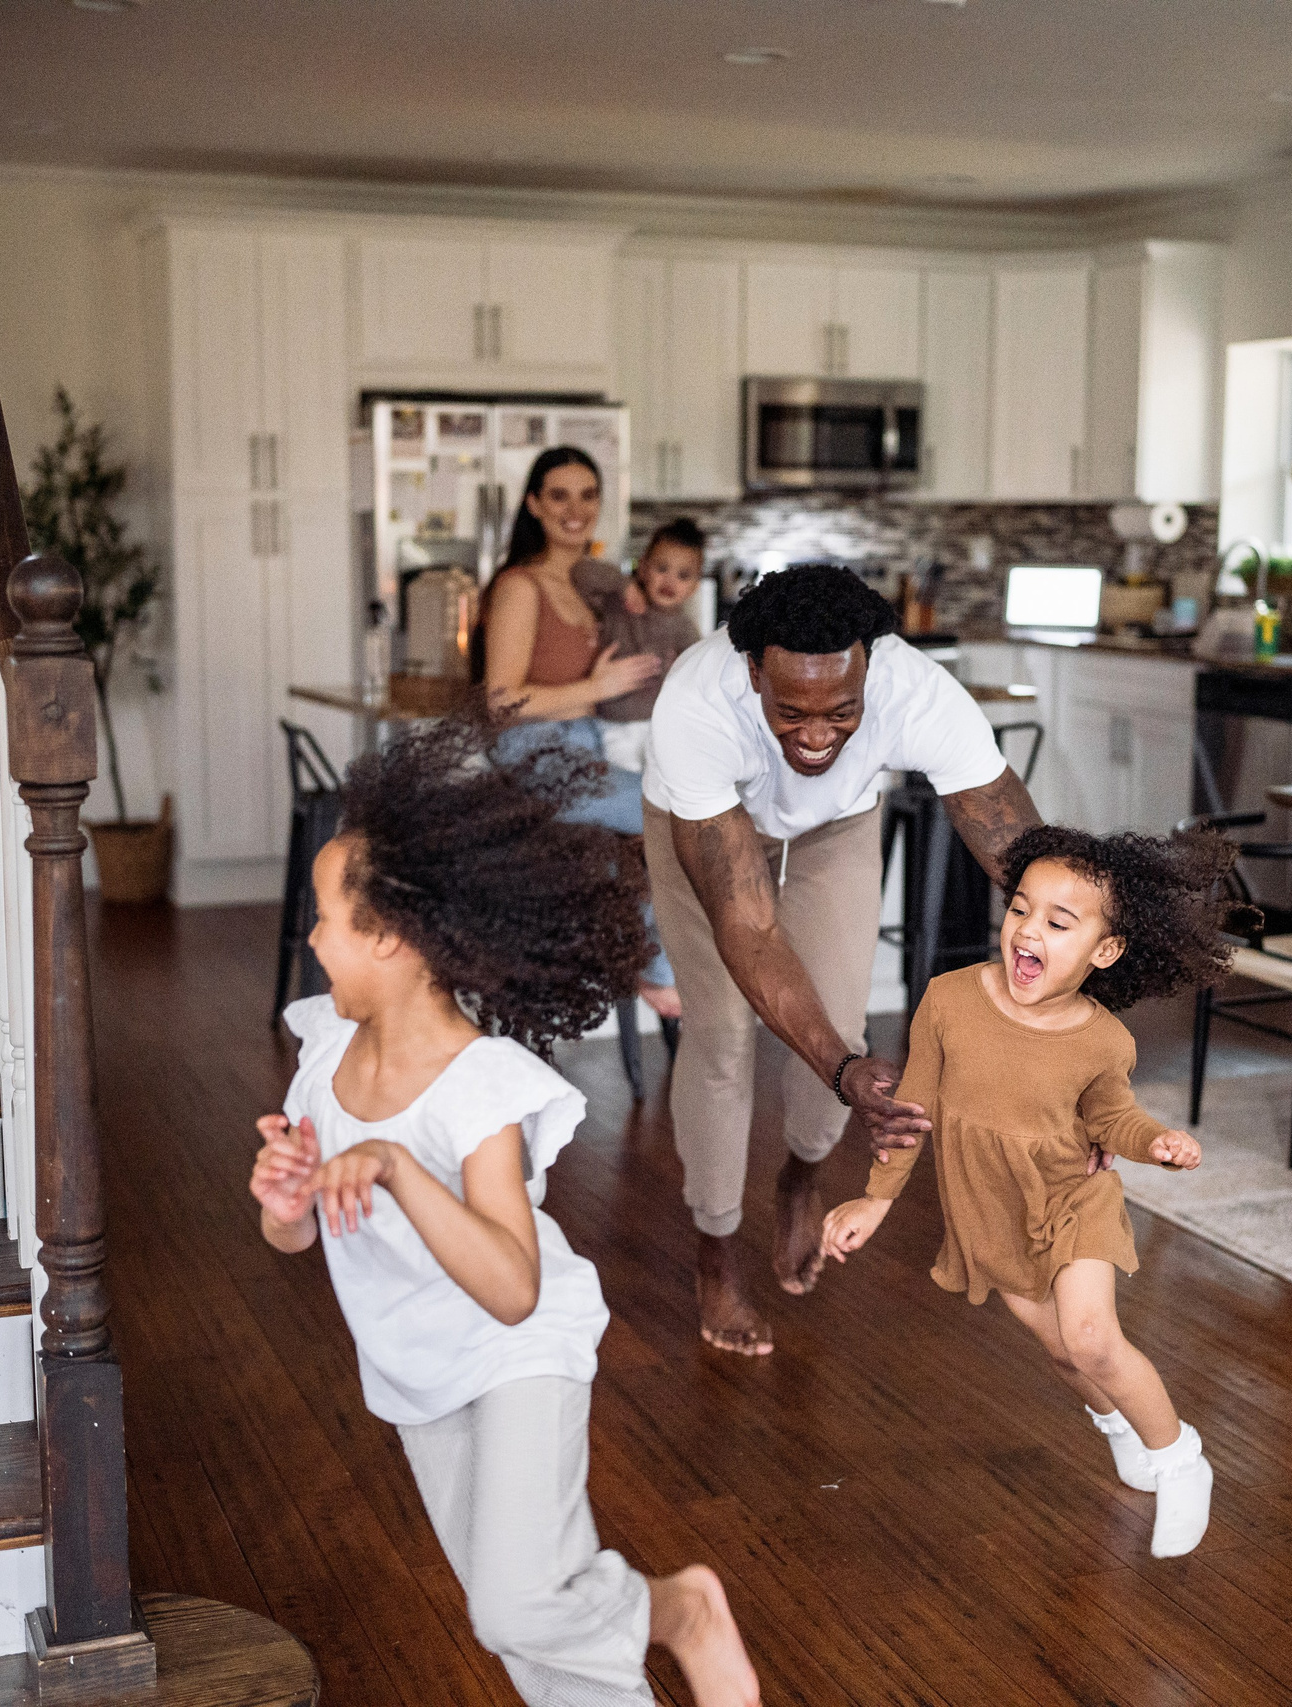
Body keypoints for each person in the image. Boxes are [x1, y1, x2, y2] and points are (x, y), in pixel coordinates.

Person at [247, 712, 758, 1707]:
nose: (310, 938)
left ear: (390, 938)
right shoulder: (322, 1055)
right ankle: (675, 1610)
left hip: (516, 1353)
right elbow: (294, 1230)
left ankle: (685, 1616)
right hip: (414, 1364)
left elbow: (513, 1289)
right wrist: (284, 1201)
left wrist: (399, 1168)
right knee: (527, 1616)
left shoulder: (481, 1090)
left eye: (325, 918)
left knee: (515, 1609)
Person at [642, 562, 1042, 1356]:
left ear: (870, 669)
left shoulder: (914, 687)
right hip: (704, 820)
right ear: (753, 670)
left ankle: (800, 1171)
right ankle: (716, 1248)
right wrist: (842, 1069)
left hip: (836, 829)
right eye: (792, 710)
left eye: (842, 710)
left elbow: (1022, 856)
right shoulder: (696, 703)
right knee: (721, 1035)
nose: (819, 734)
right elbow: (750, 930)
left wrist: (1072, 956)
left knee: (843, 1023)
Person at [820, 823, 1232, 1558]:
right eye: (1020, 908)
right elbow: (915, 1110)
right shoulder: (948, 1000)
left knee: (1091, 1335)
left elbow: (1114, 1118)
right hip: (990, 1212)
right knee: (1065, 1354)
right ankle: (1120, 1428)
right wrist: (874, 1199)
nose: (1027, 930)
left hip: (1074, 1199)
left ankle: (1180, 1457)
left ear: (1104, 951)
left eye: (1058, 921)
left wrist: (1156, 1143)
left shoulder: (1103, 1039)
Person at [481, 445, 678, 1016]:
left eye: (588, 495)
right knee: (671, 811)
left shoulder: (592, 585)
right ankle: (659, 971)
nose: (577, 509)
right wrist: (598, 687)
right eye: (560, 496)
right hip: (535, 753)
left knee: (676, 813)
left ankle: (658, 962)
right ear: (534, 506)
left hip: (589, 748)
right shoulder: (522, 586)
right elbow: (501, 702)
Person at [575, 518, 706, 777]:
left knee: (663, 788)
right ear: (643, 568)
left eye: (683, 575)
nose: (670, 580)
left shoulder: (684, 628)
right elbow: (580, 573)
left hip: (662, 725)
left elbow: (701, 677)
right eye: (662, 568)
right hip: (614, 724)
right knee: (625, 784)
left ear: (693, 587)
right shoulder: (619, 605)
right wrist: (624, 585)